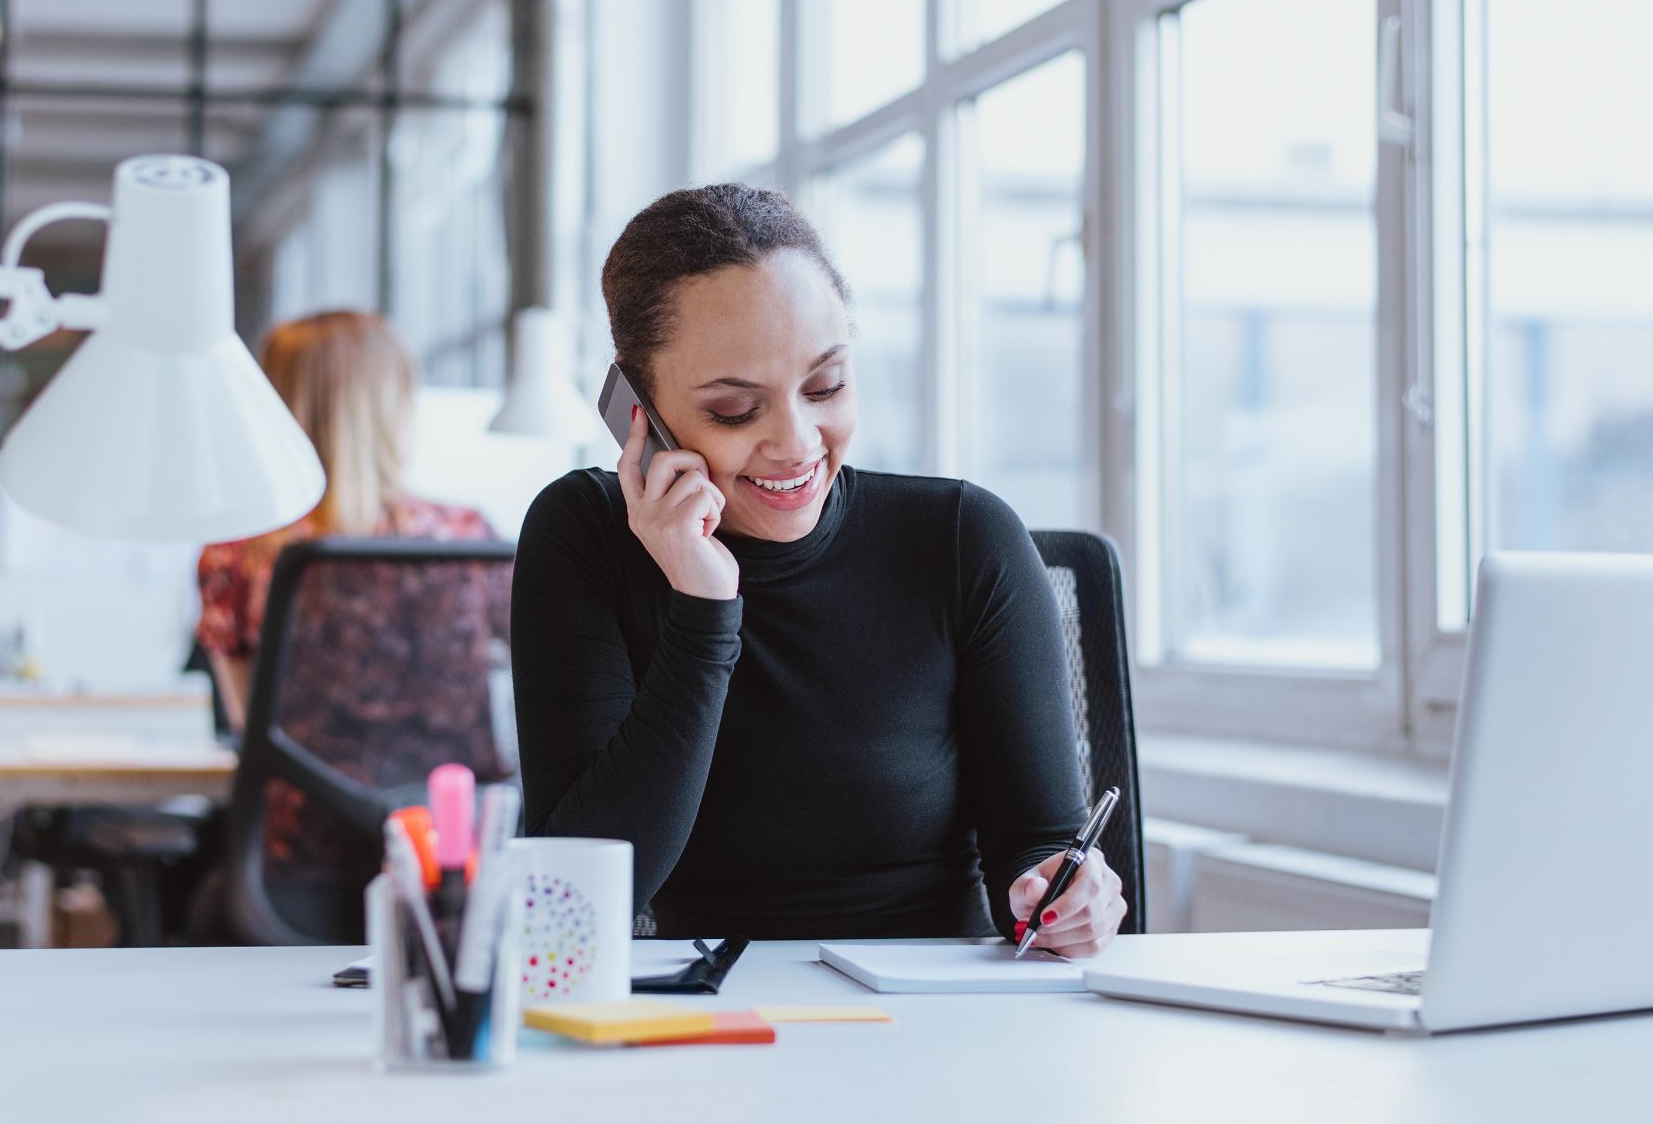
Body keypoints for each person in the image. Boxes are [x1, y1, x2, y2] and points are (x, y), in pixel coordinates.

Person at [510, 185, 1127, 953]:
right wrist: (703, 606)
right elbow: (575, 908)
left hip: (937, 1018)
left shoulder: (965, 539)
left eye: (825, 386)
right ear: (641, 412)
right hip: (709, 1024)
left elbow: (1036, 854)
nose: (796, 442)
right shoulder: (584, 537)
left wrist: (1067, 897)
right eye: (734, 409)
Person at [195, 310, 493, 731]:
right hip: (449, 796)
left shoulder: (236, 552)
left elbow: (250, 725)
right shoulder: (468, 538)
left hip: (300, 797)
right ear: (397, 403)